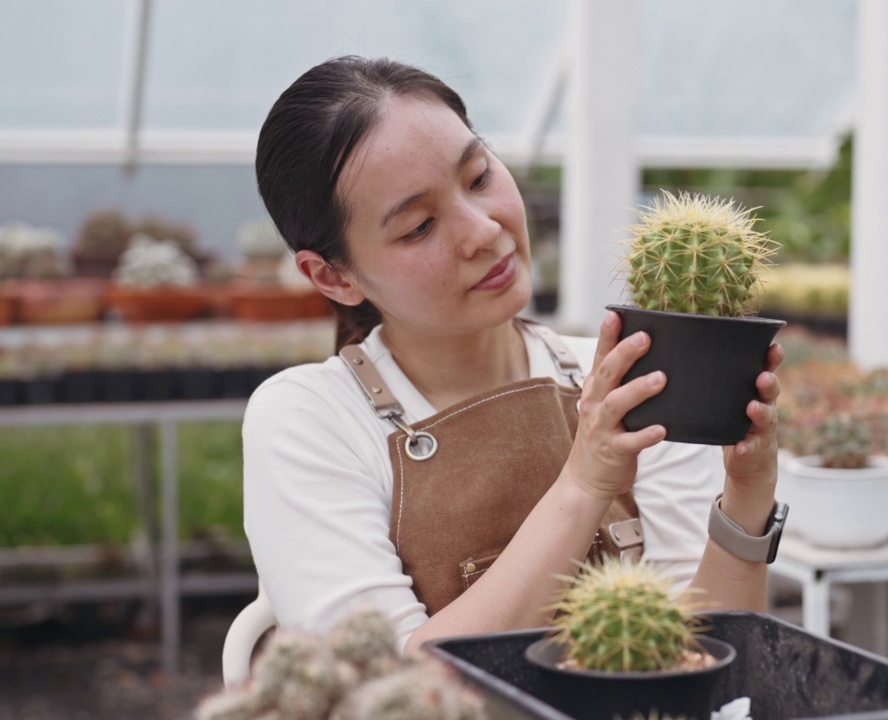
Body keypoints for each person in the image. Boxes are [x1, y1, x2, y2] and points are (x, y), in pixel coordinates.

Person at [243, 55, 784, 653]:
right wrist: (583, 484)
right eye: (419, 226)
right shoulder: (311, 419)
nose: (484, 230)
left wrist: (746, 500)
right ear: (333, 276)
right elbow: (390, 690)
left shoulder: (627, 376)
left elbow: (707, 661)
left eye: (478, 177)